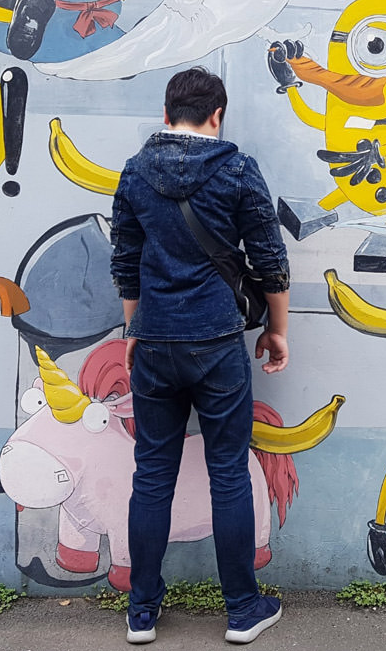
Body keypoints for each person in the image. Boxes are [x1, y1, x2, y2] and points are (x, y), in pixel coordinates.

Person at [110, 67, 290, 644]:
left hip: (156, 341)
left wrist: (134, 326)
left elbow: (126, 260)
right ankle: (242, 611)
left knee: (153, 474)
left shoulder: (136, 172)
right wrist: (277, 331)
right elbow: (269, 259)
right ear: (218, 116)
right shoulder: (237, 170)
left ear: (167, 116)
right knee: (229, 474)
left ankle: (142, 613)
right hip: (215, 343)